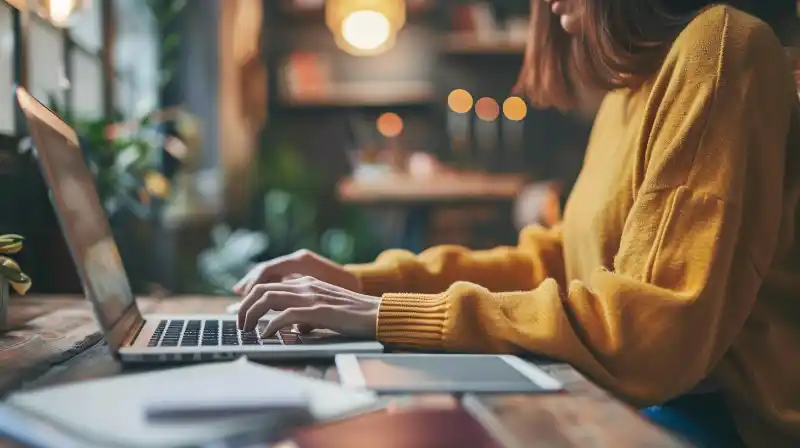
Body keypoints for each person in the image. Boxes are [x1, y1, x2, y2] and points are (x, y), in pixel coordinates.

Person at [234, 1, 800, 446]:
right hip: (644, 400)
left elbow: (646, 336)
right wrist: (358, 285)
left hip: (729, 422)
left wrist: (384, 314)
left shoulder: (721, 48)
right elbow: (552, 260)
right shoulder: (632, 89)